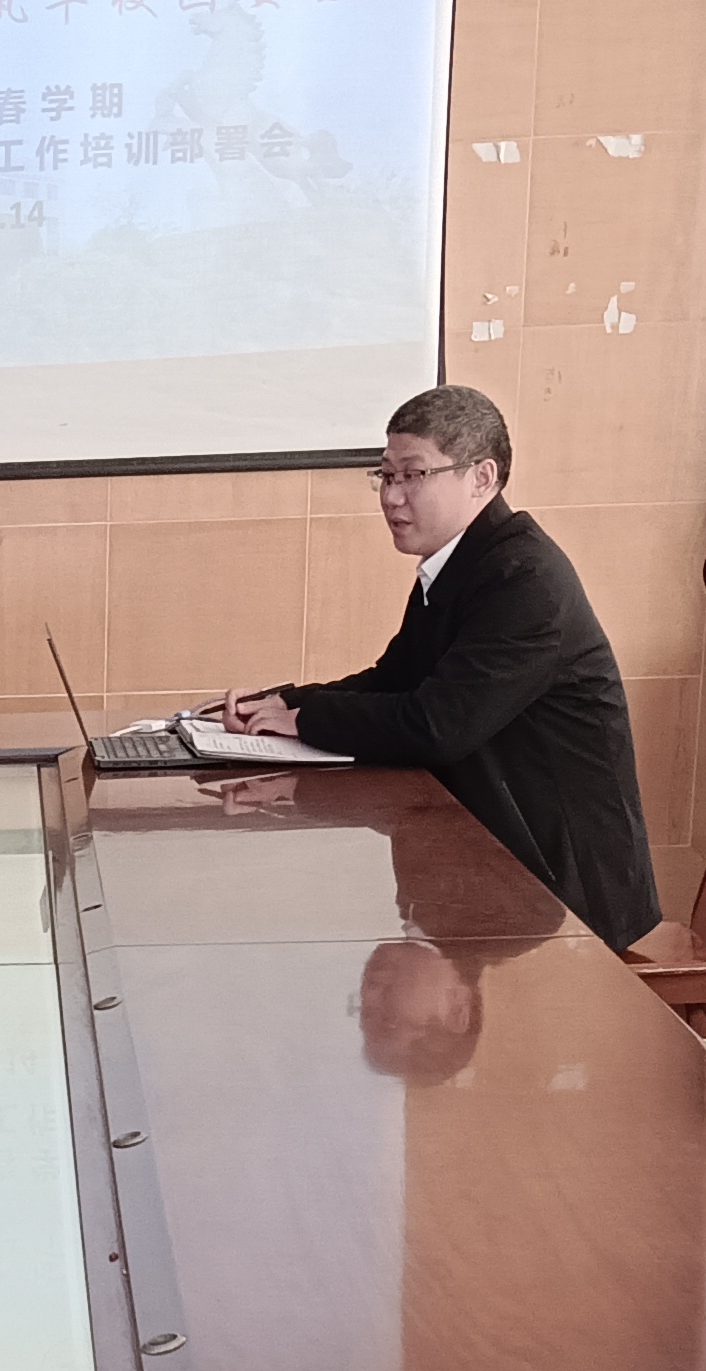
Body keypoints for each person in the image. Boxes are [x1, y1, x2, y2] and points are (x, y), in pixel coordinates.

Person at [209, 382, 660, 950]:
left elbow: (438, 726)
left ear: (482, 477)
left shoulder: (525, 579)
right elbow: (395, 680)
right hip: (487, 856)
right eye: (385, 475)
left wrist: (305, 720)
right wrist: (286, 703)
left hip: (561, 896)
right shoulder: (465, 562)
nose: (391, 497)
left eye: (412, 475)